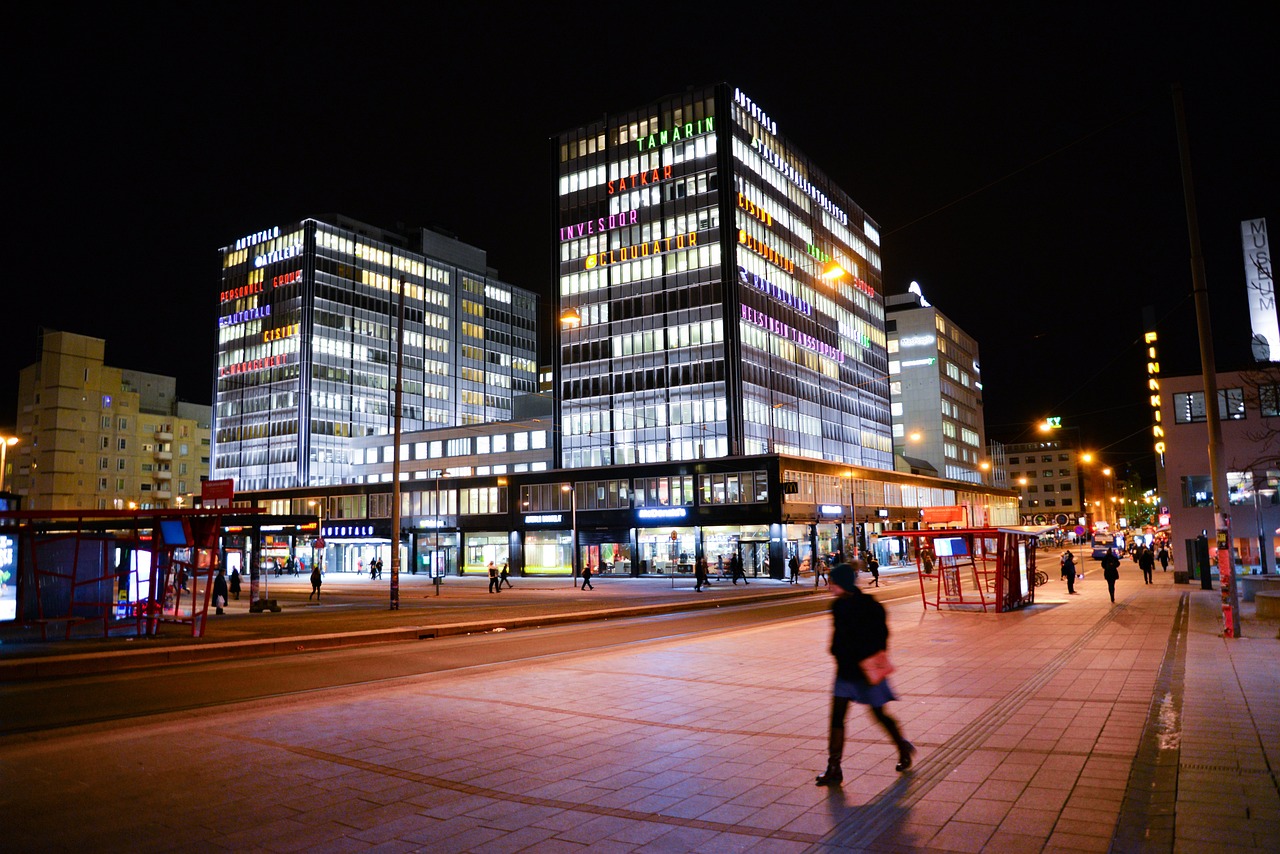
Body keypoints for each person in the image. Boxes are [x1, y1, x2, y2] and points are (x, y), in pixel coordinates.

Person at [815, 560, 914, 786]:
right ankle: (833, 767)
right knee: (837, 718)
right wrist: (837, 651)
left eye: (832, 582)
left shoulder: (869, 606)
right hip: (846, 672)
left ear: (843, 583)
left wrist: (862, 655)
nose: (830, 586)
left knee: (879, 714)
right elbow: (840, 638)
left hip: (867, 672)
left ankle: (902, 746)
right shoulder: (838, 606)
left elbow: (880, 636)